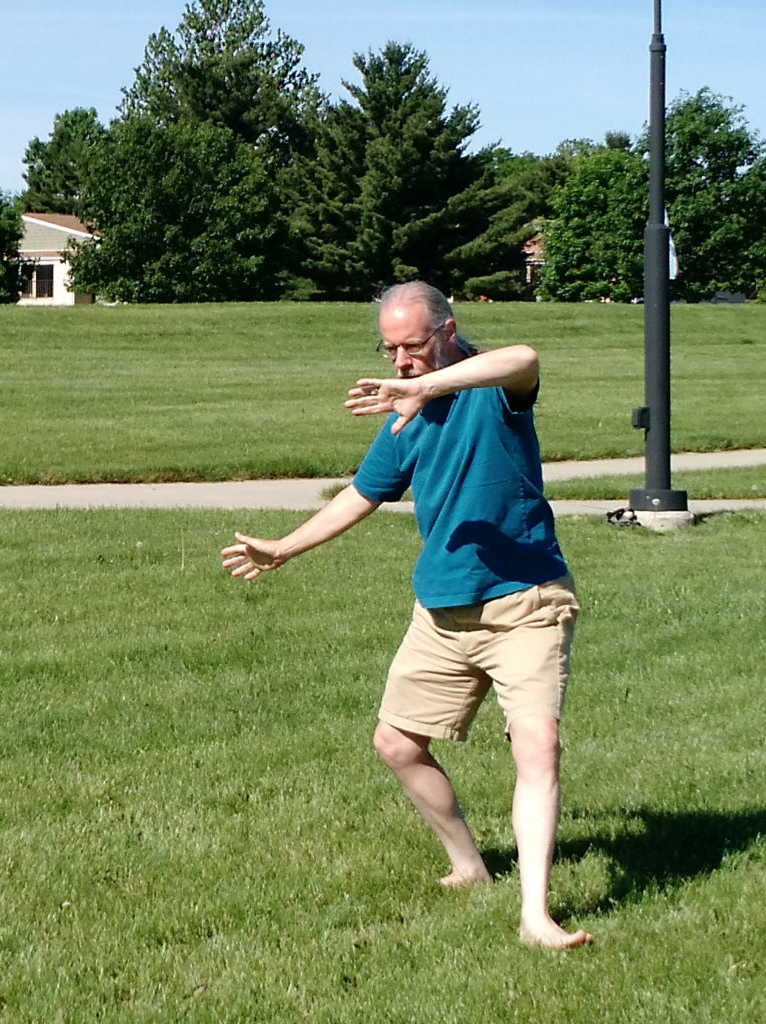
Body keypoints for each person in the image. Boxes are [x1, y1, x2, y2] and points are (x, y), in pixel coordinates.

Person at [221, 281, 592, 949]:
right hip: (442, 610)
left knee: (536, 746)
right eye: (389, 349)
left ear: (447, 331)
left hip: (525, 603)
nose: (399, 362)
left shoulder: (494, 391)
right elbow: (360, 495)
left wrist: (428, 387)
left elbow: (524, 357)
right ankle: (469, 865)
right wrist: (282, 548)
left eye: (412, 346)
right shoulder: (403, 414)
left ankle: (535, 916)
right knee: (395, 744)